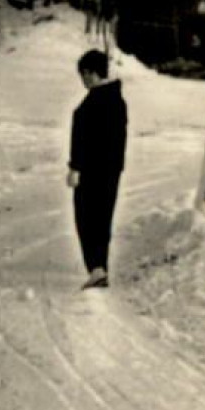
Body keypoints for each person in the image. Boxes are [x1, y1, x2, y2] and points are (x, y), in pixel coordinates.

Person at [68, 49, 127, 290]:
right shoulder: (116, 99)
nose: (82, 79)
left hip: (91, 170)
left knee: (86, 217)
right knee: (103, 217)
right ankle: (99, 266)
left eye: (83, 74)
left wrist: (75, 167)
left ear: (92, 73)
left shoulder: (93, 102)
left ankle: (96, 267)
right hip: (111, 170)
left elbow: (82, 140)